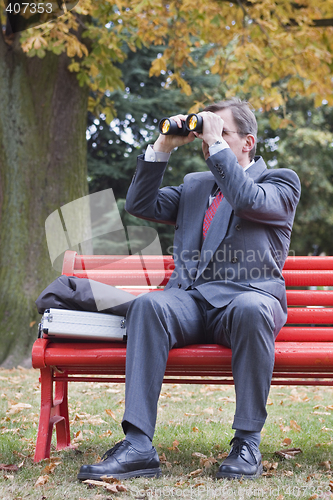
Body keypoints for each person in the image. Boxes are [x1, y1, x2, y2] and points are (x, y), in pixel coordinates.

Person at [78, 98, 301, 481]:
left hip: (247, 299)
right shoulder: (196, 185)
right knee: (149, 305)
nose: (208, 141)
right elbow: (140, 203)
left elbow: (246, 200)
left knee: (251, 308)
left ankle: (247, 443)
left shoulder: (279, 182)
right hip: (193, 302)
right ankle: (138, 446)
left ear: (248, 142)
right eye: (206, 133)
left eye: (223, 132)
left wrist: (215, 146)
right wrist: (163, 147)